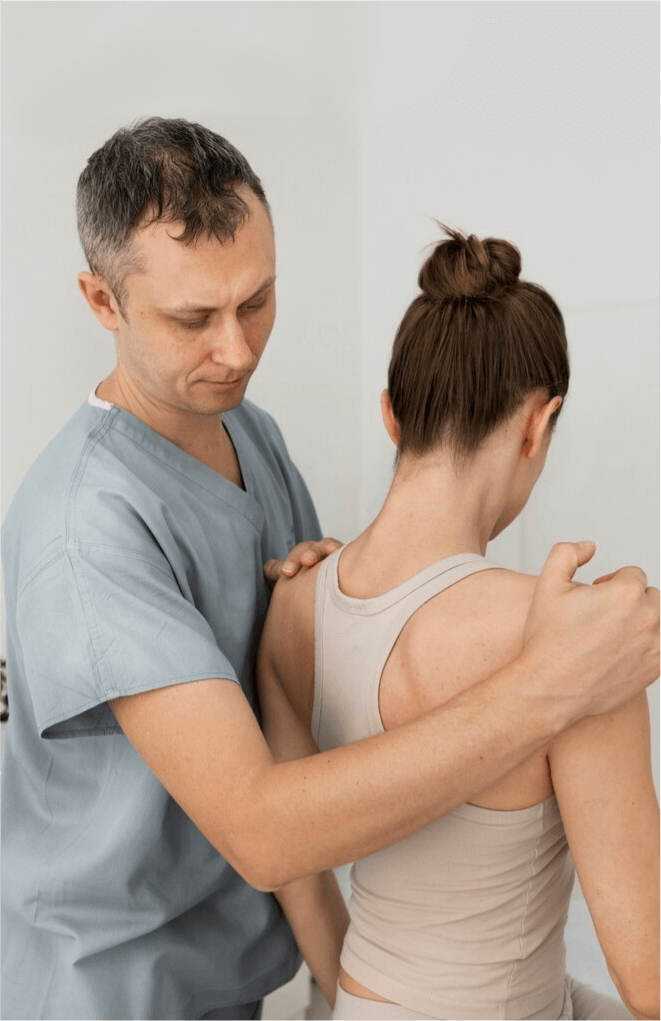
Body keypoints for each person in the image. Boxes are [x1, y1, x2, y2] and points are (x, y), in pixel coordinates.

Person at [0, 119, 658, 1021]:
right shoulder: (85, 529)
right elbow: (267, 832)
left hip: (248, 974)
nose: (238, 350)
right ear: (101, 300)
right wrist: (548, 685)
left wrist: (347, 993)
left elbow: (330, 694)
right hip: (112, 988)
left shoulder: (249, 435)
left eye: (257, 300)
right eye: (194, 319)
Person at [257, 227, 661, 1021]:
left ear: (389, 414)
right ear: (537, 424)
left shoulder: (293, 604)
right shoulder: (575, 644)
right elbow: (650, 977)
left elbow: (297, 870)